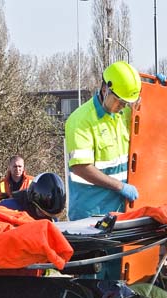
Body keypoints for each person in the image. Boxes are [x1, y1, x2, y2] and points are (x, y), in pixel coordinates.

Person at [65, 60, 141, 221]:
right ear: (105, 89)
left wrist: (160, 90)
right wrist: (120, 187)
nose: (122, 106)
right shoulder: (81, 120)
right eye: (119, 101)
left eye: (126, 102)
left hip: (120, 210)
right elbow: (81, 167)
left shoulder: (124, 115)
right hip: (90, 215)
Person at [0, 172, 66, 221]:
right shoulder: (10, 207)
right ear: (33, 202)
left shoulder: (52, 218)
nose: (44, 215)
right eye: (41, 212)